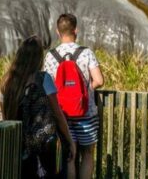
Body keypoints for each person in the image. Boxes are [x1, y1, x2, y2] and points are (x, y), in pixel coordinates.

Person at [0, 35, 76, 178]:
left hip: (20, 147)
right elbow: (58, 114)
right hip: (47, 145)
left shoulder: (7, 82)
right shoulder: (43, 78)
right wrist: (70, 141)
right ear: (38, 58)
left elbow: (5, 116)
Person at [44, 14, 104, 179]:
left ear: (57, 31)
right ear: (76, 30)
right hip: (86, 113)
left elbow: (48, 87)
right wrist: (86, 90)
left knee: (69, 156)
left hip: (62, 114)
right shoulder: (86, 53)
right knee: (87, 154)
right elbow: (99, 80)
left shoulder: (50, 56)